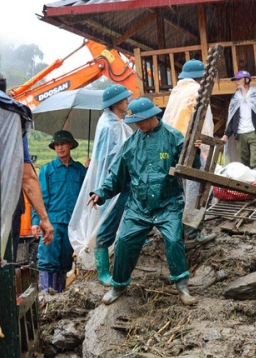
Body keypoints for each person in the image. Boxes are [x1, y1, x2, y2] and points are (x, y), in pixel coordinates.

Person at [87, 97, 199, 306]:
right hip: (138, 206)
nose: (138, 125)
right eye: (135, 122)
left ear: (153, 116)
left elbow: (191, 166)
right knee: (124, 242)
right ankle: (118, 285)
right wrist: (101, 192)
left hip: (169, 202)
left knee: (174, 240)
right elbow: (116, 176)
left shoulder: (174, 138)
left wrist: (196, 151)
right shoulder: (130, 145)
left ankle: (182, 287)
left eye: (142, 121)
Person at [0, 72, 54, 255]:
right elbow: (27, 176)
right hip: (7, 203)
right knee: (5, 261)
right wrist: (44, 218)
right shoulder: (13, 120)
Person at [68, 84, 133, 286]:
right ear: (115, 104)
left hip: (122, 181)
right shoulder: (109, 126)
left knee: (121, 221)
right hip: (112, 183)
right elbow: (106, 159)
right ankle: (103, 273)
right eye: (124, 99)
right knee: (106, 225)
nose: (127, 101)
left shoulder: (118, 123)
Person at [162, 59, 215, 242]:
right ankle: (192, 231)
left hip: (174, 146)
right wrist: (206, 145)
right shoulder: (197, 91)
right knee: (197, 190)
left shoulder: (176, 92)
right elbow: (205, 122)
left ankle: (177, 230)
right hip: (192, 146)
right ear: (201, 77)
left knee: (180, 191)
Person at [32, 130, 87, 293]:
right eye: (57, 145)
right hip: (52, 223)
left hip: (72, 225)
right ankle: (46, 296)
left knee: (64, 263)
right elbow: (40, 198)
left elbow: (88, 193)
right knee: (47, 260)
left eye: (63, 144)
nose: (60, 147)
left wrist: (92, 169)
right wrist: (37, 221)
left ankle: (59, 296)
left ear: (70, 145)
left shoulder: (79, 170)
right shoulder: (47, 170)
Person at [221, 70, 256, 178]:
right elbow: (231, 117)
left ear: (246, 80)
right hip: (241, 134)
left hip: (255, 132)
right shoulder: (235, 97)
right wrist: (226, 134)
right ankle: (248, 188)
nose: (236, 82)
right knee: (244, 164)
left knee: (255, 163)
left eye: (239, 79)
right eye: (235, 80)